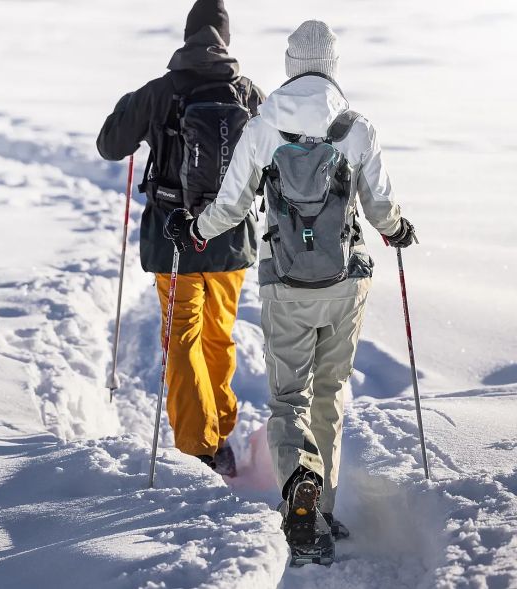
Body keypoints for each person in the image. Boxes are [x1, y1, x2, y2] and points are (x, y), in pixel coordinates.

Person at [165, 20, 416, 550]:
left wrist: (194, 231)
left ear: (289, 64)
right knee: (329, 395)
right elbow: (378, 207)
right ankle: (321, 510)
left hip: (284, 285)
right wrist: (398, 229)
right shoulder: (355, 126)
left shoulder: (263, 127)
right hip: (346, 284)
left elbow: (231, 205)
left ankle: (296, 488)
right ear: (331, 64)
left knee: (288, 400)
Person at [97, 0, 265, 475]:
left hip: (174, 238)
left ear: (187, 35)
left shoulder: (161, 90)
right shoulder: (248, 92)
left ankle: (198, 445)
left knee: (182, 337)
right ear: (225, 40)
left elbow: (111, 146)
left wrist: (130, 108)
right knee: (218, 333)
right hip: (231, 237)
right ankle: (221, 430)